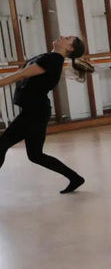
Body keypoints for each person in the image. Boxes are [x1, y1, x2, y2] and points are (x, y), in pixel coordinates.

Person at [0, 35, 91, 193]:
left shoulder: (54, 60)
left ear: (70, 48)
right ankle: (75, 178)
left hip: (35, 112)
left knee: (2, 144)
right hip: (36, 110)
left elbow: (21, 75)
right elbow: (21, 72)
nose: (62, 36)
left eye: (67, 38)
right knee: (35, 155)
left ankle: (75, 178)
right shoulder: (49, 57)